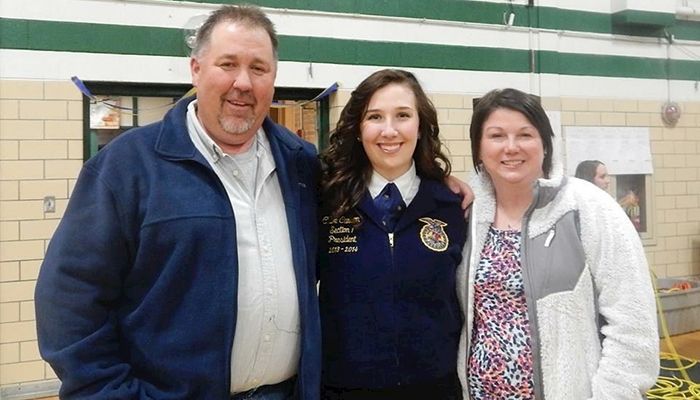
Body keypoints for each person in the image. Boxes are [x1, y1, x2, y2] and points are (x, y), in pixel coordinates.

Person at [34, 5, 321, 399]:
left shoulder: (302, 166)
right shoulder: (128, 167)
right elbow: (69, 298)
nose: (243, 82)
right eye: (227, 64)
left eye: (259, 68)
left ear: (273, 79)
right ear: (196, 69)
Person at [457, 88, 658, 399]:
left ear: (545, 145)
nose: (511, 147)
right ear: (479, 149)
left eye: (525, 135)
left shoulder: (588, 207)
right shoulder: (466, 215)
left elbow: (632, 325)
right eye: (496, 136)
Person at [318, 69, 466, 399]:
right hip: (344, 389)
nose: (389, 130)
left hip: (435, 390)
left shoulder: (452, 206)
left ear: (420, 125)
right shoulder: (326, 200)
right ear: (358, 128)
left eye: (402, 115)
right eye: (375, 117)